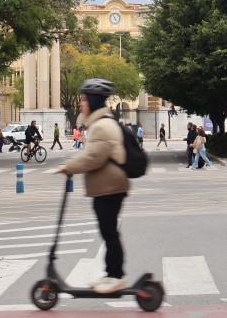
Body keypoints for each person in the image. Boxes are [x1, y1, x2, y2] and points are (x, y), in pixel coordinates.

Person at [59, 78, 129, 294]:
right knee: (109, 233)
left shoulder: (102, 125)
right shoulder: (101, 122)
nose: (81, 103)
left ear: (93, 101)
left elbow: (93, 158)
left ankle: (115, 277)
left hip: (110, 188)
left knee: (109, 234)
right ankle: (112, 274)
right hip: (107, 187)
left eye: (83, 99)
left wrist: (69, 166)